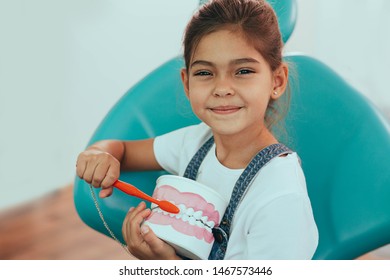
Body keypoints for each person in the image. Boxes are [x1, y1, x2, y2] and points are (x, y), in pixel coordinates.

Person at [76, 0, 318, 260]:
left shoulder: (281, 197)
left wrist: (166, 264)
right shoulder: (195, 143)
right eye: (205, 72)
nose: (222, 88)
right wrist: (98, 154)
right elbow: (121, 150)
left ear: (277, 81)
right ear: (187, 83)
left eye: (243, 71)